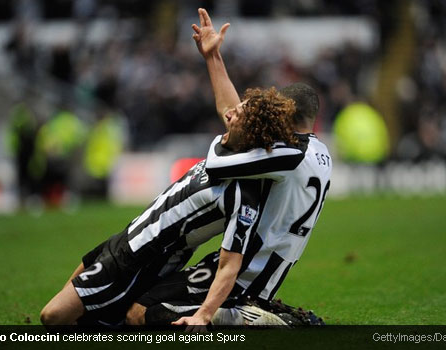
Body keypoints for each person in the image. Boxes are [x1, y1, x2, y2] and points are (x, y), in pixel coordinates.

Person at [126, 8, 332, 331]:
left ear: (288, 113)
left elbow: (219, 161)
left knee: (139, 313)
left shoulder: (287, 154)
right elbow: (233, 117)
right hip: (267, 269)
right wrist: (214, 59)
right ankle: (263, 309)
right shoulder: (319, 152)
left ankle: (245, 317)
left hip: (244, 270)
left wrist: (220, 140)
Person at [40, 87, 298, 326]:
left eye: (238, 113)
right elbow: (227, 105)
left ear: (251, 128)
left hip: (142, 257)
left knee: (52, 317)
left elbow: (231, 263)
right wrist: (212, 56)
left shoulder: (244, 191)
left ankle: (238, 319)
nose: (229, 113)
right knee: (83, 319)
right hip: (127, 236)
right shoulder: (226, 151)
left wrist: (204, 314)